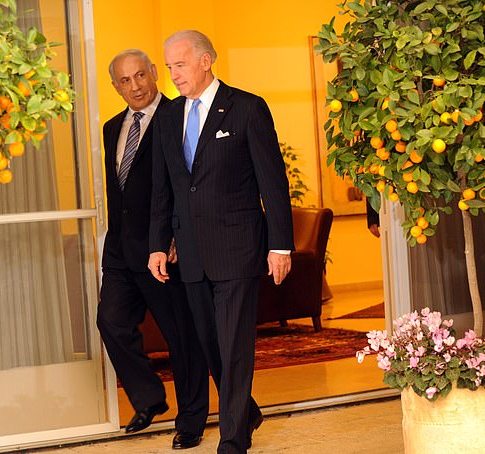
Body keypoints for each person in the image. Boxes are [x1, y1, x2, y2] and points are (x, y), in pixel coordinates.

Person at [148, 30, 295, 453]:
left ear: (206, 61)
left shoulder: (247, 108)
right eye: (169, 65)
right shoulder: (168, 116)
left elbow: (273, 181)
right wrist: (159, 244)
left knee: (233, 345)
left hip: (238, 249)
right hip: (190, 252)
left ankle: (233, 439)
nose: (172, 73)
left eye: (180, 64)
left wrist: (280, 245)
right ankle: (245, 411)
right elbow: (164, 188)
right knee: (210, 343)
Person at [97, 49, 209, 450]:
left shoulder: (182, 116)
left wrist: (176, 235)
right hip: (121, 249)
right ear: (115, 87)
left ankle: (193, 420)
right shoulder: (113, 127)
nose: (135, 86)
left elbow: (187, 183)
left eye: (140, 75)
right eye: (124, 81)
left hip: (165, 247)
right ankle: (149, 398)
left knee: (183, 338)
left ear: (154, 74)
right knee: (110, 321)